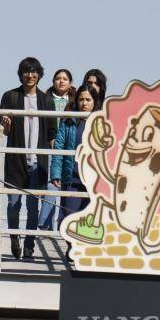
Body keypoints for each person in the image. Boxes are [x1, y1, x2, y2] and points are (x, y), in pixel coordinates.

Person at [0, 57, 56, 259]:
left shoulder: (46, 100)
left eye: (33, 72)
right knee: (13, 204)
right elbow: (5, 131)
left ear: (39, 74)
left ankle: (29, 243)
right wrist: (6, 125)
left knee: (34, 207)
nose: (30, 75)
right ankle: (15, 237)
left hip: (38, 161)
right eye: (26, 71)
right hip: (16, 160)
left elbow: (52, 134)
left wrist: (54, 164)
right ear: (20, 74)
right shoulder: (10, 97)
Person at [50, 84, 103, 259]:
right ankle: (73, 245)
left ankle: (82, 250)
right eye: (81, 99)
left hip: (93, 179)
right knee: (66, 217)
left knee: (89, 218)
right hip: (71, 176)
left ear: (95, 102)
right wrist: (56, 173)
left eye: (88, 99)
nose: (84, 103)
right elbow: (58, 147)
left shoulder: (101, 122)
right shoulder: (69, 121)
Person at [38, 69, 75, 230]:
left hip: (68, 144)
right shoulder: (46, 98)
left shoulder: (74, 100)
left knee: (63, 183)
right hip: (49, 143)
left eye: (65, 79)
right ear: (53, 81)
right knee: (50, 183)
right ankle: (46, 224)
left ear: (70, 83)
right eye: (58, 78)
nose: (61, 81)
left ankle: (58, 223)